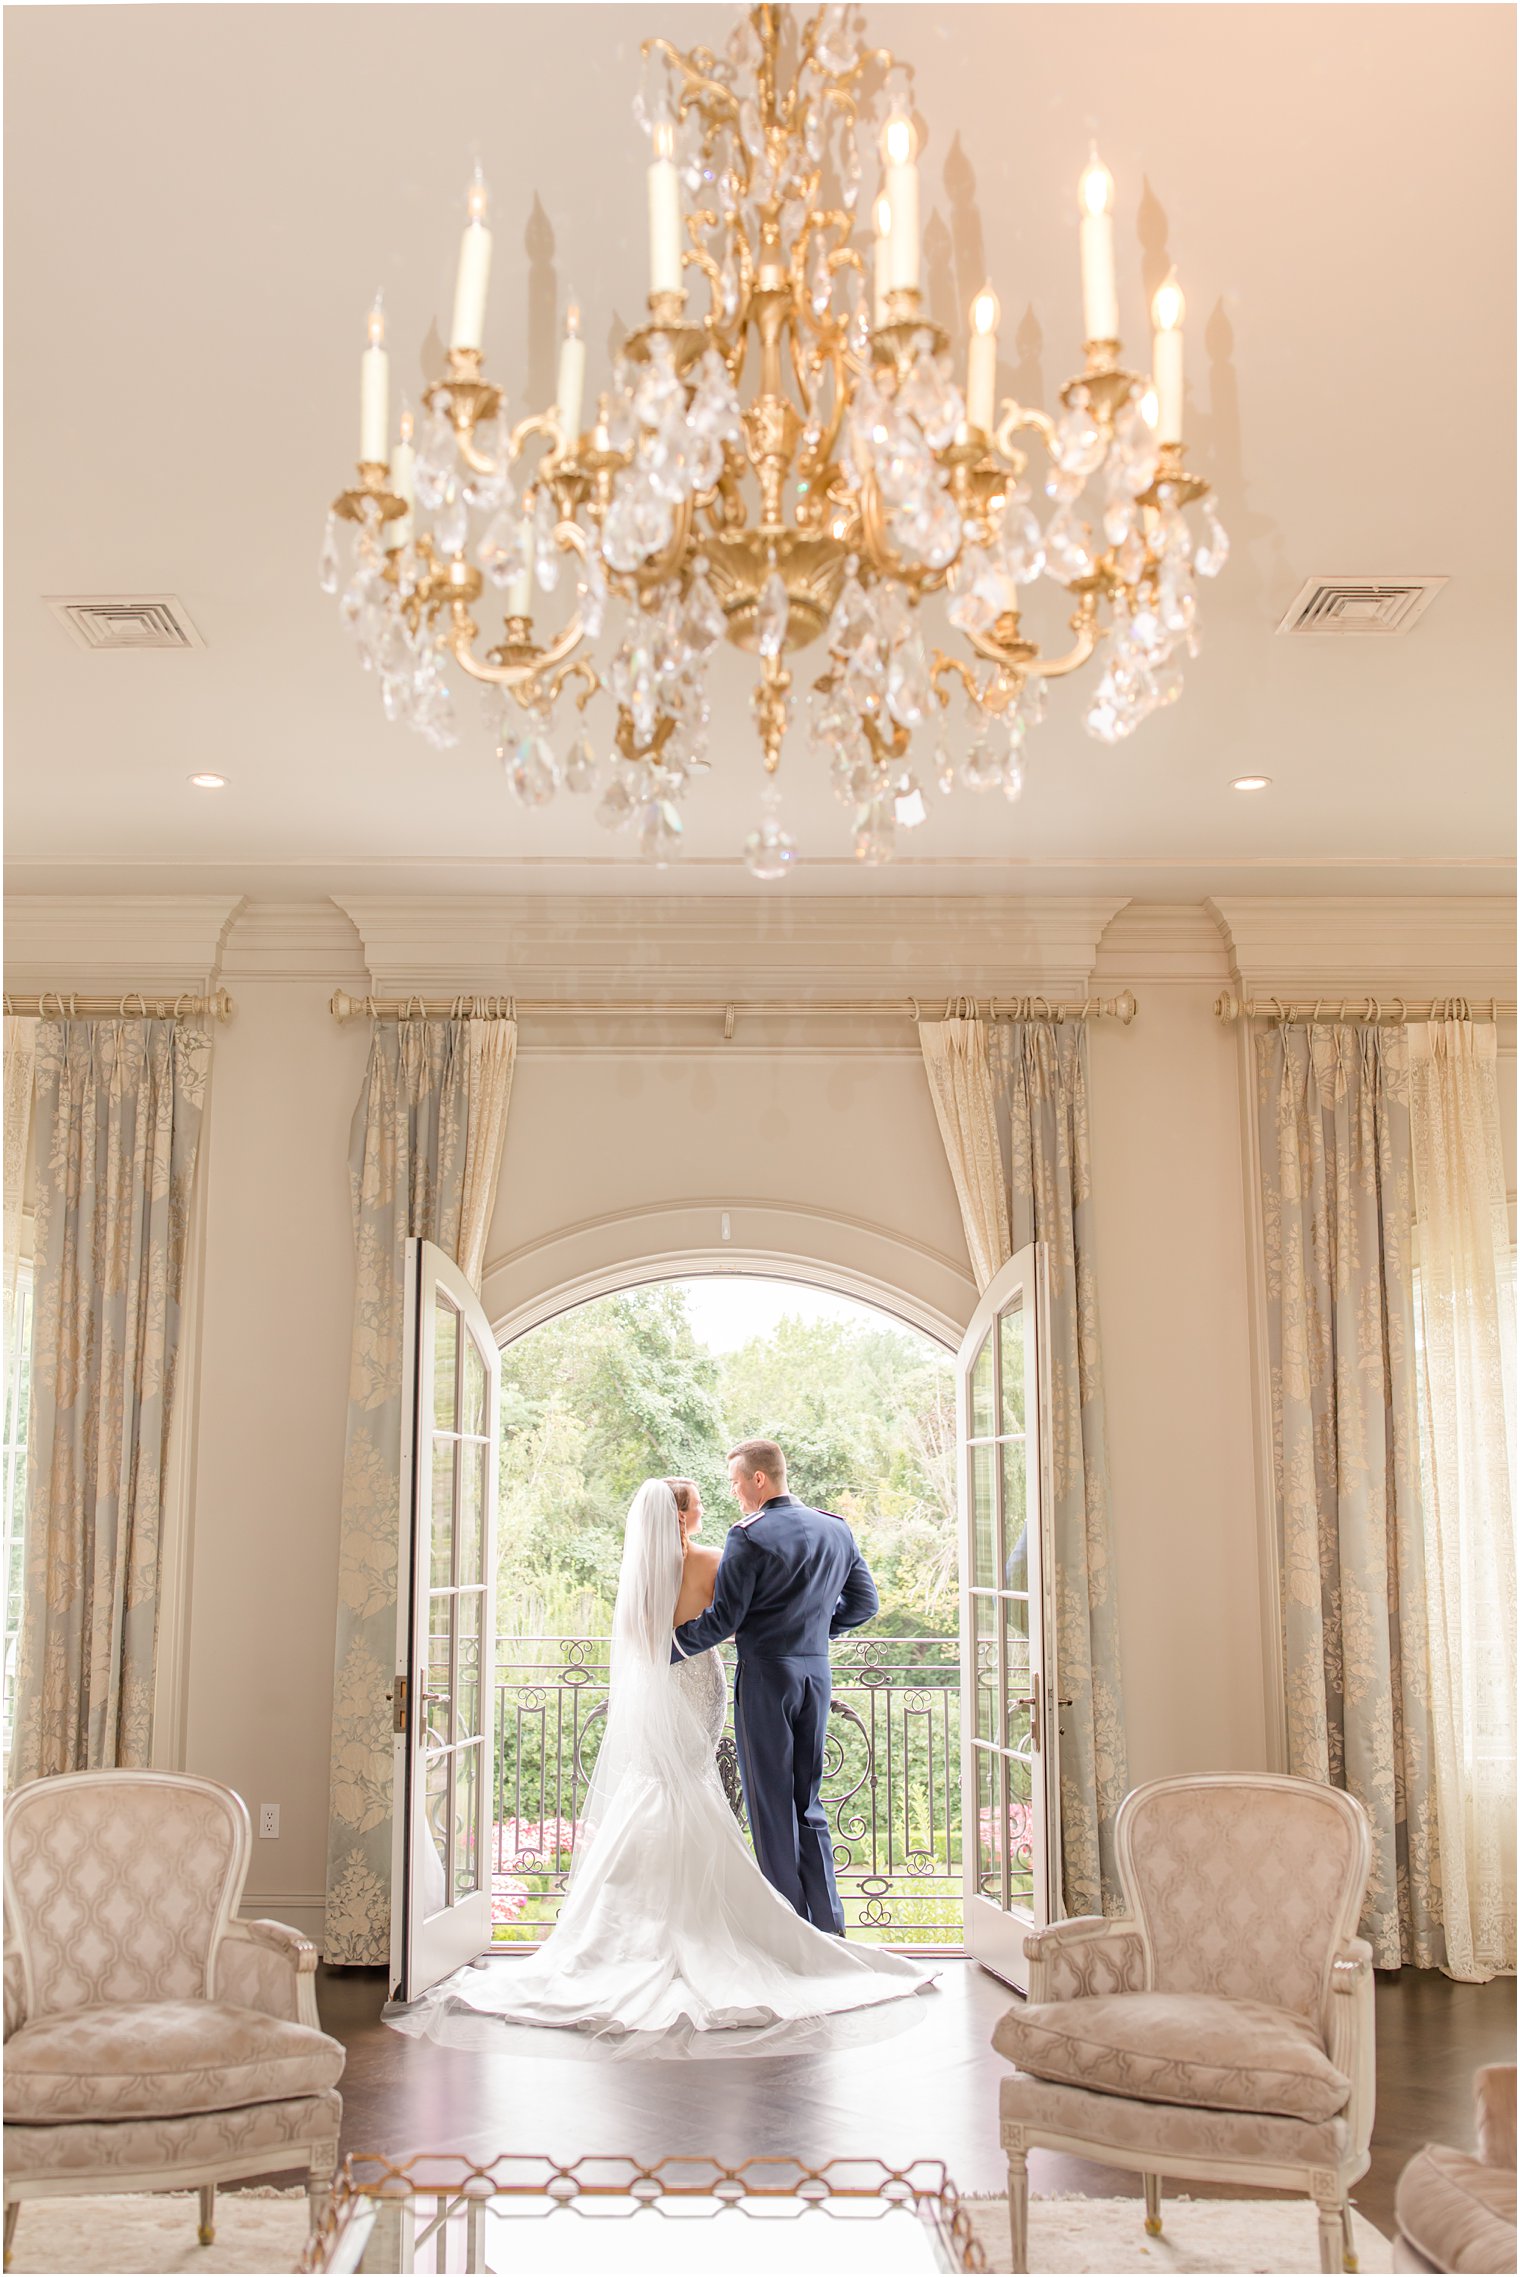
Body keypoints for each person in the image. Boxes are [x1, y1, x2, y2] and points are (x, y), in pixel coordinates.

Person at [398, 1473, 927, 2044]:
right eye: (697, 1502)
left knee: (656, 1785)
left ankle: (624, 1931)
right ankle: (796, 1926)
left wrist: (665, 1652)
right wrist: (805, 1634)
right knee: (729, 1789)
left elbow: (643, 1633)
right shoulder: (716, 1559)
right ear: (679, 1516)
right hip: (711, 1684)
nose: (706, 1506)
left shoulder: (639, 1571)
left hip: (662, 1684)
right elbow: (738, 1619)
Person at [672, 1439, 876, 1935]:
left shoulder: (749, 1535)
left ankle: (788, 1931)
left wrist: (669, 1647)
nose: (735, 1493)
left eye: (736, 1482)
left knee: (769, 1807)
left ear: (758, 1479)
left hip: (767, 1677)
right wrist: (810, 1633)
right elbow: (864, 1603)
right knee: (808, 1802)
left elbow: (724, 1619)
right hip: (816, 1675)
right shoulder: (836, 1528)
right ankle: (828, 1927)